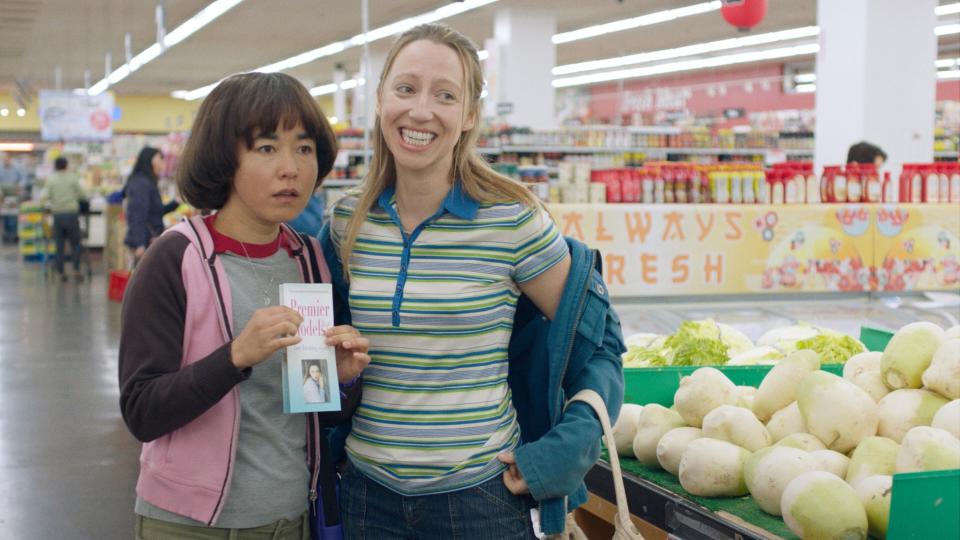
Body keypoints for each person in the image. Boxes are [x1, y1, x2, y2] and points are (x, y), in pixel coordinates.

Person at [319, 23, 626, 538]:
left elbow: (600, 341)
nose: (420, 110)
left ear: (468, 116)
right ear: (379, 100)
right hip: (366, 499)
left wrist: (567, 447)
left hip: (481, 500)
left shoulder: (512, 220)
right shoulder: (347, 222)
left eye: (445, 95)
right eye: (406, 88)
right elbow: (328, 359)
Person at [118, 72, 371, 539]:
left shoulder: (310, 258)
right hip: (189, 525)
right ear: (224, 158)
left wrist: (340, 378)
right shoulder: (175, 258)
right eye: (267, 148)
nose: (291, 168)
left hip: (292, 516)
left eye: (304, 148)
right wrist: (234, 357)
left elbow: (309, 410)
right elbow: (141, 411)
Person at [122, 146, 180, 265]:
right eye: (160, 158)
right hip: (144, 242)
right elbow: (138, 214)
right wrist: (140, 244)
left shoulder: (147, 181)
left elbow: (155, 211)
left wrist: (175, 203)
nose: (163, 163)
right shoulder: (141, 183)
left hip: (150, 240)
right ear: (150, 160)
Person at [42, 156, 86, 282]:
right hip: (72, 215)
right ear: (66, 165)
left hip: (58, 215)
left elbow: (44, 197)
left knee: (59, 244)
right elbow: (83, 195)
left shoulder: (51, 180)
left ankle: (60, 272)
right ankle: (76, 269)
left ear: (55, 166)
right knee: (76, 243)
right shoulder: (72, 178)